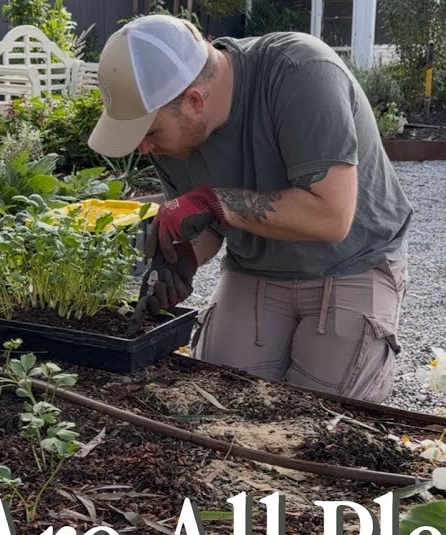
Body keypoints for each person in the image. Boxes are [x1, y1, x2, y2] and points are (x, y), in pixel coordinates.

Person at [87, 14, 413, 404]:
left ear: (193, 100)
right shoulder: (171, 135)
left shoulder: (300, 72)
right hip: (253, 267)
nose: (144, 148)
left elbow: (331, 217)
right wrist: (182, 255)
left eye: (150, 132)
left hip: (350, 263)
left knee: (321, 422)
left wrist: (213, 201)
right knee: (218, 404)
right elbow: (207, 228)